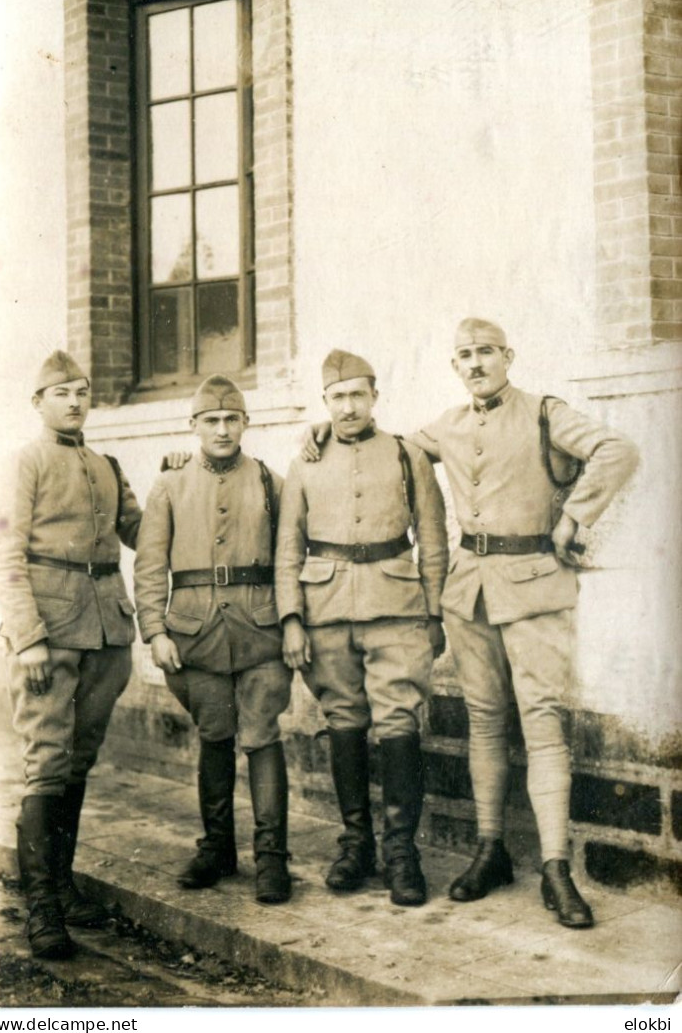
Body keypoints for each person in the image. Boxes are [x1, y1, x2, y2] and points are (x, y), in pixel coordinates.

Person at [303, 320, 639, 928]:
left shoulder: (544, 412)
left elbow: (618, 450)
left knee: (541, 720)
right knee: (485, 719)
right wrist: (328, 432)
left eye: (486, 352)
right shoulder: (447, 427)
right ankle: (491, 850)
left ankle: (556, 869)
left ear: (508, 356)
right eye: (465, 355)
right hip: (471, 593)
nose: (476, 363)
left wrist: (574, 521)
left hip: (536, 585)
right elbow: (389, 446)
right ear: (455, 366)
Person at [276, 350, 448, 907]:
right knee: (343, 720)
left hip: (397, 607)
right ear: (324, 403)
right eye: (337, 397)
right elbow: (286, 548)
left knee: (399, 723)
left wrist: (435, 610)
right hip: (325, 612)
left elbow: (433, 536)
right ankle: (356, 845)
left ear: (375, 396)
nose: (348, 406)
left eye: (357, 394)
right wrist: (291, 619)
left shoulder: (406, 454)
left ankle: (402, 853)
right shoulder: (305, 462)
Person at [0, 351, 143, 959]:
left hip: (107, 631)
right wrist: (26, 639)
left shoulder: (105, 464)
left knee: (78, 761)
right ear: (38, 402)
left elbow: (143, 531)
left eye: (82, 391)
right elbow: (4, 555)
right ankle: (43, 908)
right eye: (61, 392)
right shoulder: (23, 462)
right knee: (46, 764)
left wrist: (183, 475)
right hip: (49, 636)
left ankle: (65, 884)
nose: (75, 401)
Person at [134, 375, 293, 906]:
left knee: (262, 735)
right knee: (215, 734)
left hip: (261, 633)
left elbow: (290, 559)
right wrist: (154, 630)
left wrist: (291, 622)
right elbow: (151, 564)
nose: (222, 430)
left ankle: (272, 858)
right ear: (194, 426)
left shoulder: (271, 482)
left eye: (231, 419)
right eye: (211, 421)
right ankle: (217, 849)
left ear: (246, 423)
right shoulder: (169, 486)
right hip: (193, 634)